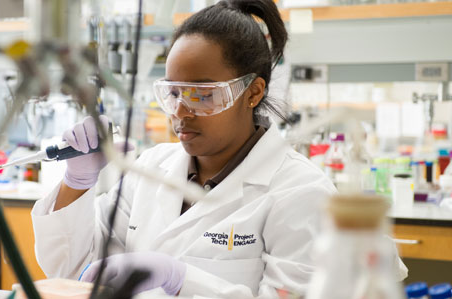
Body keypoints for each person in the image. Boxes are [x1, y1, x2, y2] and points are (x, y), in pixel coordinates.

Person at [32, 0, 404, 297]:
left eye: (202, 95)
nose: (179, 112)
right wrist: (77, 182)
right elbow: (71, 273)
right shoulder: (151, 168)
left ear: (253, 92)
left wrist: (180, 279)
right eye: (173, 93)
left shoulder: (300, 192)